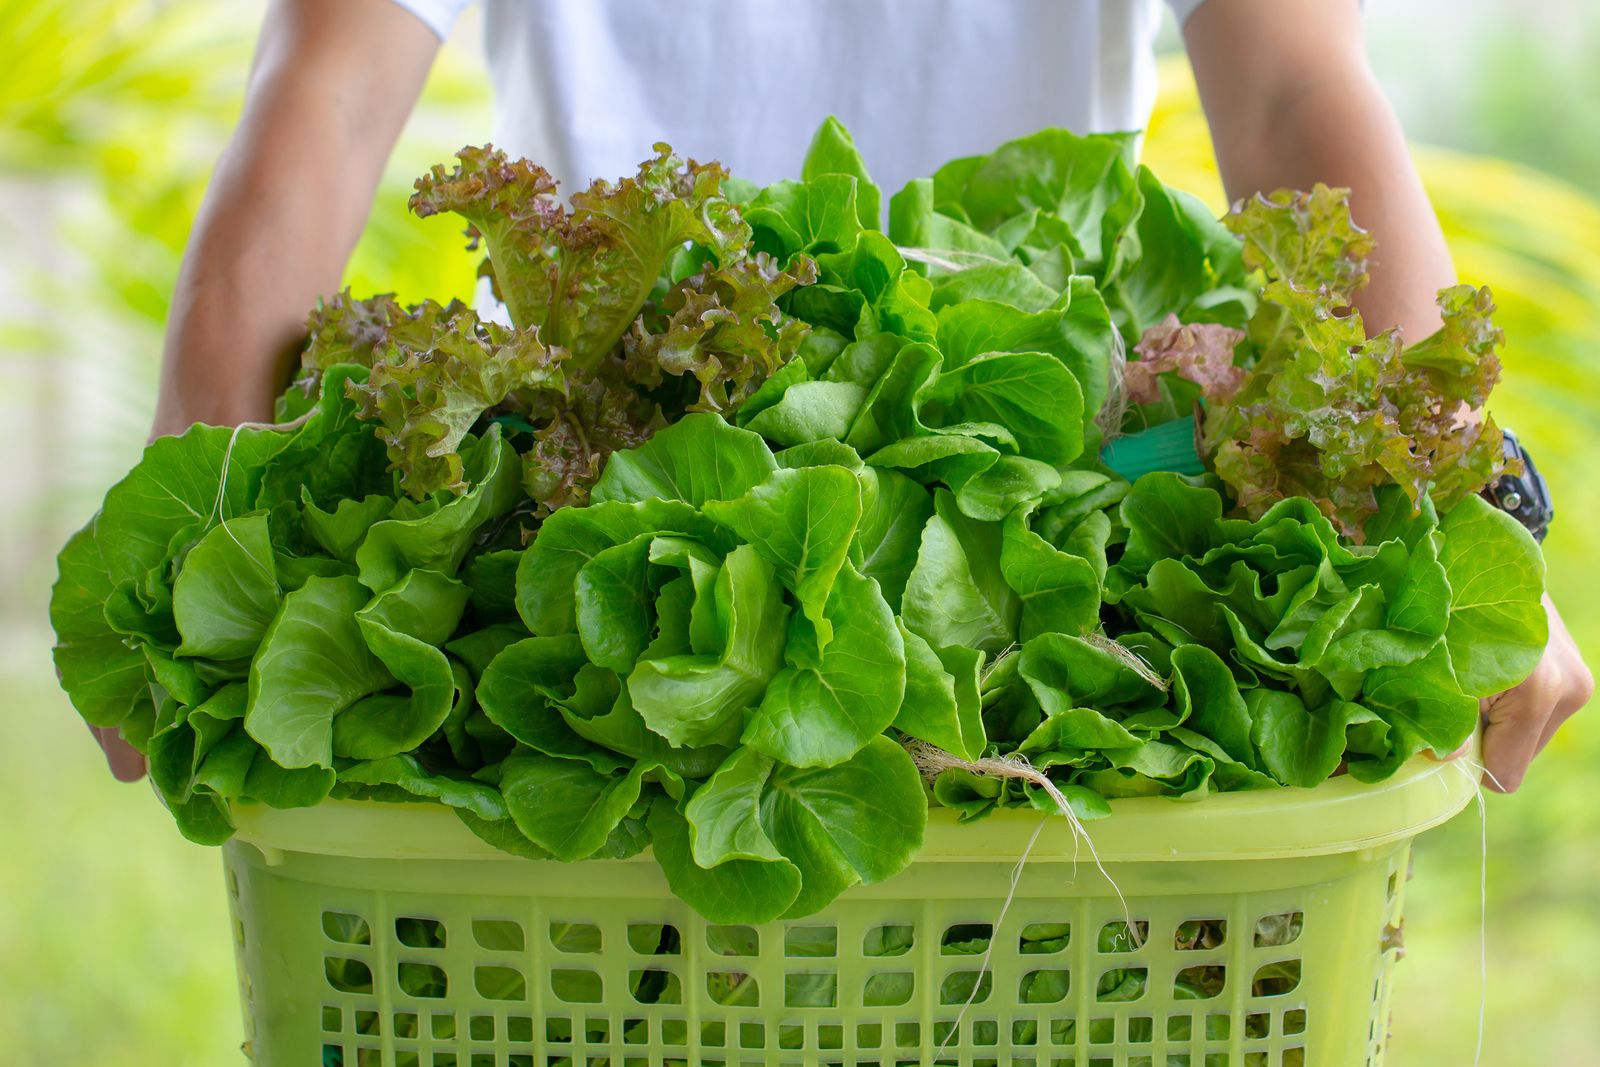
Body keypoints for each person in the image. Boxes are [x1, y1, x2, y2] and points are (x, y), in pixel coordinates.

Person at [95, 0, 1590, 791]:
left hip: (1051, 500)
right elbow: (328, 91)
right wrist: (186, 561)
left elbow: (1292, 90)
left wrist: (1466, 505)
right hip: (599, 507)